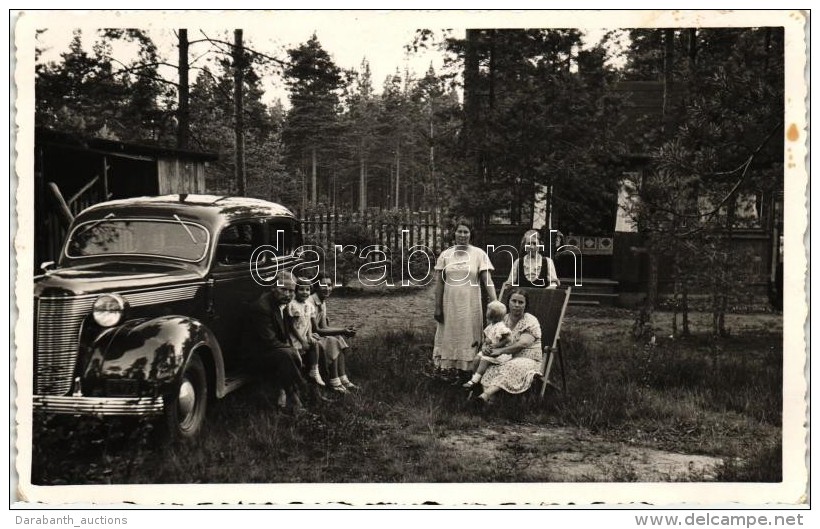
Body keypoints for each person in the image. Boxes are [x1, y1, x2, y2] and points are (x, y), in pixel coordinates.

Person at [432, 218, 498, 381]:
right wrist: (438, 307)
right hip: (450, 305)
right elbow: (439, 283)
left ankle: (469, 371)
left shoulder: (478, 254)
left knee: (468, 334)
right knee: (450, 334)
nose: (462, 235)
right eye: (459, 231)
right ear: (454, 234)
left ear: (471, 234)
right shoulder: (446, 255)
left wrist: (495, 303)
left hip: (470, 305)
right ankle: (448, 370)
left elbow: (487, 280)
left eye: (466, 232)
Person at [244, 270, 306, 412]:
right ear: (273, 288)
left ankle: (291, 394)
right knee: (287, 355)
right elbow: (269, 342)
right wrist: (291, 350)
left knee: (289, 352)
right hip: (254, 355)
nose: (288, 294)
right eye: (283, 289)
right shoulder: (262, 307)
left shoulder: (279, 303)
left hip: (270, 350)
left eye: (291, 291)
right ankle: (297, 394)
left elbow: (282, 336)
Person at [474, 288, 543, 404]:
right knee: (487, 364)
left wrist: (499, 351)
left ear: (525, 305)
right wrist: (486, 346)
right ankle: (491, 401)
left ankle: (484, 396)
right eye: (514, 301)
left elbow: (523, 344)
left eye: (521, 302)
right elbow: (491, 337)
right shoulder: (502, 319)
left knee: (511, 366)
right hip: (506, 357)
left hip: (528, 358)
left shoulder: (530, 321)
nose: (517, 305)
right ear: (508, 302)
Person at [307, 273, 358, 393]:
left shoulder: (322, 301)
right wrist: (343, 330)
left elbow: (324, 326)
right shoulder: (310, 302)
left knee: (338, 338)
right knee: (332, 341)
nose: (327, 288)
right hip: (308, 335)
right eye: (323, 285)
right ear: (316, 286)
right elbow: (316, 330)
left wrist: (343, 330)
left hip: (316, 334)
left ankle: (343, 378)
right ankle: (334, 382)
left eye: (330, 285)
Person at [462, 300, 513, 389]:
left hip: (500, 353)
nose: (486, 312)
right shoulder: (491, 326)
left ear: (493, 315)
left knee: (484, 360)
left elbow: (508, 339)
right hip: (490, 350)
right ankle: (474, 378)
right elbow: (488, 338)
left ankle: (474, 381)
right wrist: (486, 343)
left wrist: (497, 345)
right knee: (477, 359)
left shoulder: (501, 326)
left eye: (488, 310)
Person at [500, 229, 559, 299]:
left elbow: (553, 284)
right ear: (524, 245)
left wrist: (542, 293)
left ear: (540, 244)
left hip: (541, 300)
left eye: (534, 243)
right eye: (528, 244)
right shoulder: (518, 262)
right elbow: (509, 284)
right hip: (521, 302)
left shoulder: (548, 262)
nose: (531, 247)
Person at [288, 275, 324, 386]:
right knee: (297, 361)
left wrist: (309, 336)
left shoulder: (309, 305)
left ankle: (315, 370)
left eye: (307, 289)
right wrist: (302, 341)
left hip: (304, 337)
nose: (305, 292)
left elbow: (308, 323)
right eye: (301, 289)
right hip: (294, 339)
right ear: (296, 290)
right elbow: (291, 326)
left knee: (315, 344)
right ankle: (295, 384)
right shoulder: (292, 305)